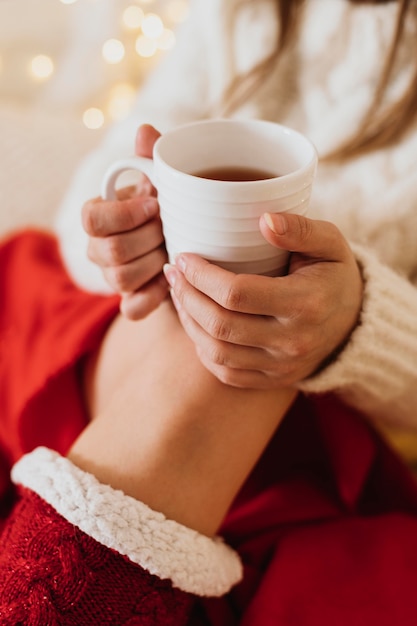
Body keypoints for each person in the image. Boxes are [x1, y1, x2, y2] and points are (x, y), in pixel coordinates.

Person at [1, 0, 417, 623]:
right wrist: (124, 238)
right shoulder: (245, 10)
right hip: (109, 332)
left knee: (246, 353)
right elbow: (108, 170)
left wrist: (355, 325)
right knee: (228, 341)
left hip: (326, 408)